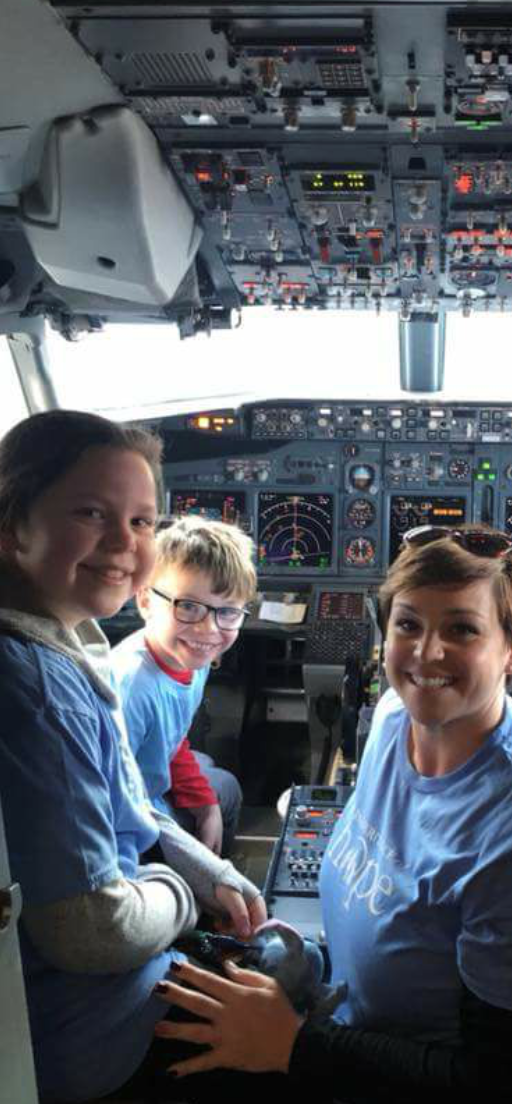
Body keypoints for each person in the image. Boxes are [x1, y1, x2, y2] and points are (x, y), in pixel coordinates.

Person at [153, 525, 512, 1104]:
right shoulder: (396, 718)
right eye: (409, 624)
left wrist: (294, 1044)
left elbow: (497, 1084)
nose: (427, 653)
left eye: (462, 629)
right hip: (356, 1035)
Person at [0, 410, 266, 1104]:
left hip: (77, 984)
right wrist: (186, 900)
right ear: (11, 524)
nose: (123, 542)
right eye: (91, 512)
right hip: (79, 1030)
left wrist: (210, 871)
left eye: (143, 521)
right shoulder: (39, 688)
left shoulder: (64, 640)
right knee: (289, 993)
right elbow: (90, 932)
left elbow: (128, 799)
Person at [112, 516, 256, 857]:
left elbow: (171, 741)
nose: (208, 629)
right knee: (228, 789)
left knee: (211, 778)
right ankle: (204, 901)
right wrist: (199, 867)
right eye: (188, 606)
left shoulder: (193, 660)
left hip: (146, 781)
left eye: (228, 612)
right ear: (145, 600)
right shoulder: (133, 688)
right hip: (129, 824)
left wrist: (205, 805)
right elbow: (110, 801)